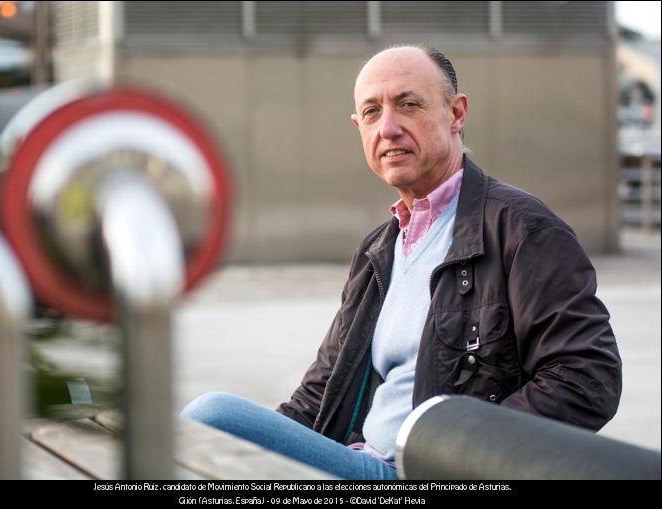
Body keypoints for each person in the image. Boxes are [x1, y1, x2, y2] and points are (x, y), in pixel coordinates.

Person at [182, 45, 622, 480]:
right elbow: (319, 395)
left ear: (456, 113)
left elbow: (586, 379)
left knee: (212, 414)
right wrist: (253, 460)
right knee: (198, 438)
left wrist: (457, 454)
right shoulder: (380, 248)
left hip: (424, 470)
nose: (388, 128)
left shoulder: (521, 228)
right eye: (371, 113)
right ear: (359, 128)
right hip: (357, 459)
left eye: (408, 105)